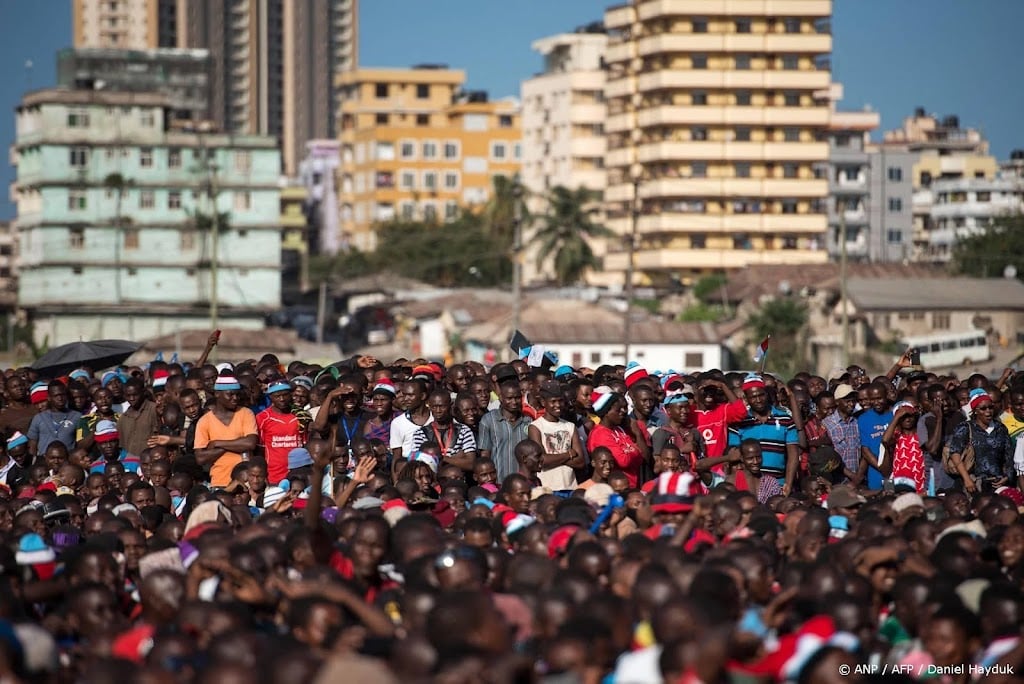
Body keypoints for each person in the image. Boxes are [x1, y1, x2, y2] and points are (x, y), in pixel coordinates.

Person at [731, 375, 799, 495]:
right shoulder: (739, 422)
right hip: (749, 487)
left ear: (766, 394)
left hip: (778, 484)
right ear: (746, 398)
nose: (758, 400)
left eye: (761, 395)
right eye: (753, 397)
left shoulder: (785, 419)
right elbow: (734, 454)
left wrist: (788, 483)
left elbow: (793, 454)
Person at [193, 372, 258, 488]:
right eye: (230, 395)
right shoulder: (205, 421)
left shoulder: (246, 413)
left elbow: (250, 443)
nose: (235, 398)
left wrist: (217, 443)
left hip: (246, 481)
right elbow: (200, 457)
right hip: (220, 482)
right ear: (217, 394)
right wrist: (237, 443)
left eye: (237, 395)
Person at [946, 388, 1016, 494]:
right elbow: (955, 453)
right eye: (983, 408)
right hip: (974, 483)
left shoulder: (1000, 428)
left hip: (998, 483)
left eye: (990, 407)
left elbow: (1009, 455)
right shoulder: (965, 427)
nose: (988, 411)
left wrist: (1007, 476)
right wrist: (967, 479)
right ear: (975, 410)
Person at [527, 381, 584, 491]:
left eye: (560, 401)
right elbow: (542, 461)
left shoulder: (570, 426)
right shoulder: (536, 427)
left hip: (570, 487)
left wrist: (552, 458)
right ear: (543, 402)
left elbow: (580, 462)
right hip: (546, 488)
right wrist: (569, 454)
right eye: (553, 401)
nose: (558, 405)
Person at [256, 381, 309, 486]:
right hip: (274, 475)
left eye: (285, 395)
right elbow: (260, 449)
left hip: (299, 474)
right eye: (277, 396)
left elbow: (305, 443)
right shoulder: (263, 417)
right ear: (270, 397)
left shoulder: (301, 415)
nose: (282, 399)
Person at [587, 391, 644, 488]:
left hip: (631, 485)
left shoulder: (618, 430)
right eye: (618, 410)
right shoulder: (600, 434)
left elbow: (640, 457)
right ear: (606, 412)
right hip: (616, 488)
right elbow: (624, 461)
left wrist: (632, 452)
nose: (623, 412)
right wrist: (634, 451)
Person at [411, 390, 477, 473]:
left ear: (450, 406)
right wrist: (457, 458)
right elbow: (419, 465)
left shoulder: (463, 430)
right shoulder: (420, 433)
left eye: (442, 406)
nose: (438, 411)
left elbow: (471, 464)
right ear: (429, 406)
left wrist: (439, 458)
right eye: (434, 407)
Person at [478, 381, 531, 482]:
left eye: (517, 398)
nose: (514, 402)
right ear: (501, 398)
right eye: (509, 398)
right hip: (498, 481)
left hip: (522, 482)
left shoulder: (528, 421)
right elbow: (485, 454)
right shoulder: (488, 420)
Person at [27, 381, 83, 459]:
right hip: (44, 462)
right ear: (49, 398)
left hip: (67, 461)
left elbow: (81, 443)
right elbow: (32, 444)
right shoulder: (38, 418)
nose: (60, 398)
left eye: (62, 395)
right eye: (56, 396)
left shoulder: (77, 416)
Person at [822, 384, 862, 484]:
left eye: (853, 400)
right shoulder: (827, 424)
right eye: (847, 401)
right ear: (837, 402)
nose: (851, 404)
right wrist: (852, 476)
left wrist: (858, 476)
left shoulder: (857, 422)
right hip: (837, 481)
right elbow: (829, 456)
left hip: (857, 480)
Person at [857, 382, 893, 490]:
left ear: (886, 395)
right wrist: (882, 468)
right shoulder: (863, 419)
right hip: (876, 473)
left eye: (879, 398)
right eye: (872, 399)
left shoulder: (894, 414)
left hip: (898, 470)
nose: (876, 403)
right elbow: (865, 450)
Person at [117, 378, 159, 458]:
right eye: (128, 396)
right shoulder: (123, 418)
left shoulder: (154, 410)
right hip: (131, 463)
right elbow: (121, 445)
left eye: (135, 395)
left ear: (143, 392)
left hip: (151, 460)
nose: (132, 398)